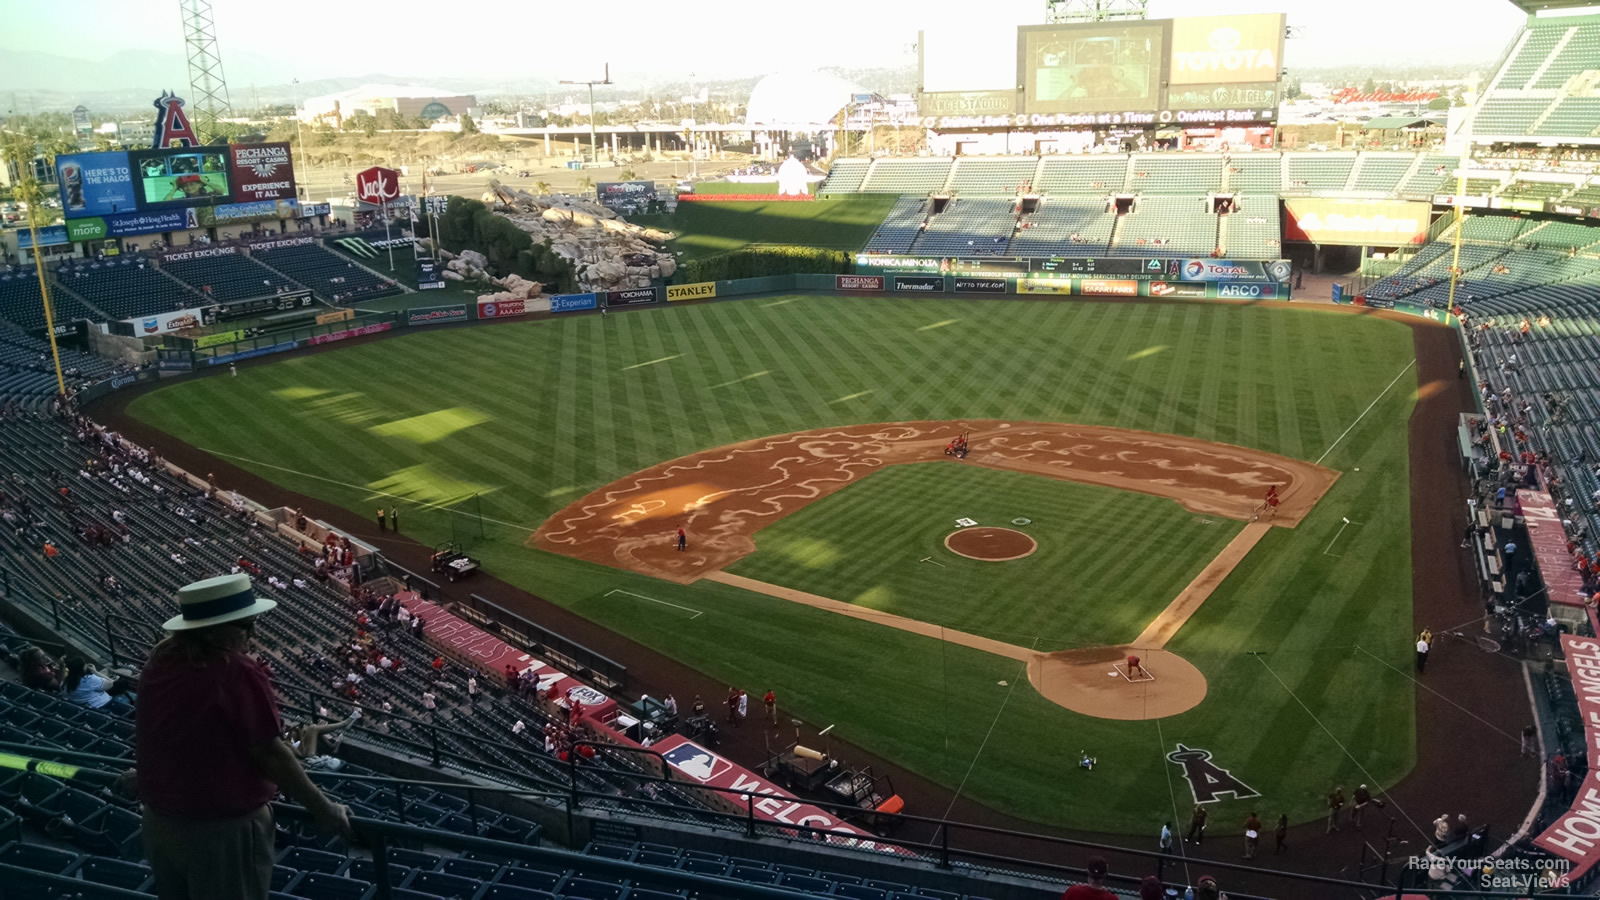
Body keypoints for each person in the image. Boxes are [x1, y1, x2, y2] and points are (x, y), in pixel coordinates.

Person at [133, 574, 350, 900]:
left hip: (161, 821)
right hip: (220, 831)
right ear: (212, 629)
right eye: (244, 625)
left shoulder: (159, 662)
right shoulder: (234, 670)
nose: (253, 633)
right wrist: (325, 809)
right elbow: (270, 752)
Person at [63, 655, 130, 711]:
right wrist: (95, 672)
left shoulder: (66, 681)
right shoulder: (89, 679)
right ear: (83, 668)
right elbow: (111, 684)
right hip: (103, 705)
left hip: (87, 708)